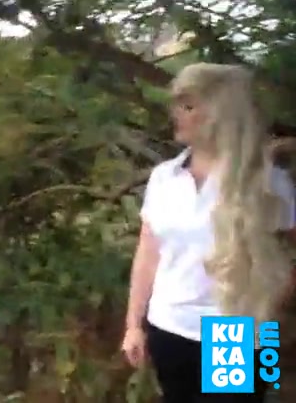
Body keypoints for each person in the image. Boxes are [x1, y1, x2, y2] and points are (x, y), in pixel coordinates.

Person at [120, 62, 296, 402]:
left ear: (221, 113)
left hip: (232, 329)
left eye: (188, 106)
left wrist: (276, 293)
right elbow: (148, 254)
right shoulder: (164, 177)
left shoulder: (264, 182)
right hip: (169, 325)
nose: (176, 114)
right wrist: (133, 325)